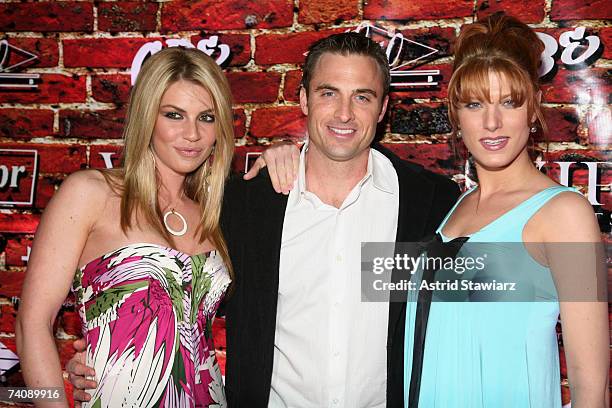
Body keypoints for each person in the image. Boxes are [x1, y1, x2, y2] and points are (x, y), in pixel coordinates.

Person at [67, 32, 460, 407]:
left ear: (384, 107)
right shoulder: (246, 203)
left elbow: (475, 309)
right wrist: (107, 356)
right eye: (328, 93)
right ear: (304, 99)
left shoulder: (431, 203)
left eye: (362, 96)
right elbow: (175, 301)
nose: (344, 113)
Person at [402, 13, 609, 407]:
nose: (492, 122)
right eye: (475, 103)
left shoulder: (564, 215)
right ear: (456, 115)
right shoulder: (451, 209)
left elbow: (591, 389)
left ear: (533, 109)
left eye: (509, 102)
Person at [16, 47, 236, 407]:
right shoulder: (91, 193)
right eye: (174, 115)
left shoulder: (216, 214)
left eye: (207, 117)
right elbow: (31, 323)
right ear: (147, 117)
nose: (192, 133)